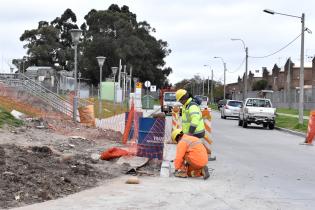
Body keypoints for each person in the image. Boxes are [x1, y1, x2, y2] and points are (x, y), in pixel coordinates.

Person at [175, 89, 216, 161]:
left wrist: (190, 133)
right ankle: (192, 165)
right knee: (191, 152)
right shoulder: (186, 105)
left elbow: (195, 119)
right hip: (192, 132)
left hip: (195, 132)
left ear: (184, 98)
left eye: (180, 100)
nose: (180, 102)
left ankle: (197, 165)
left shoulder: (192, 106)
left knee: (191, 151)